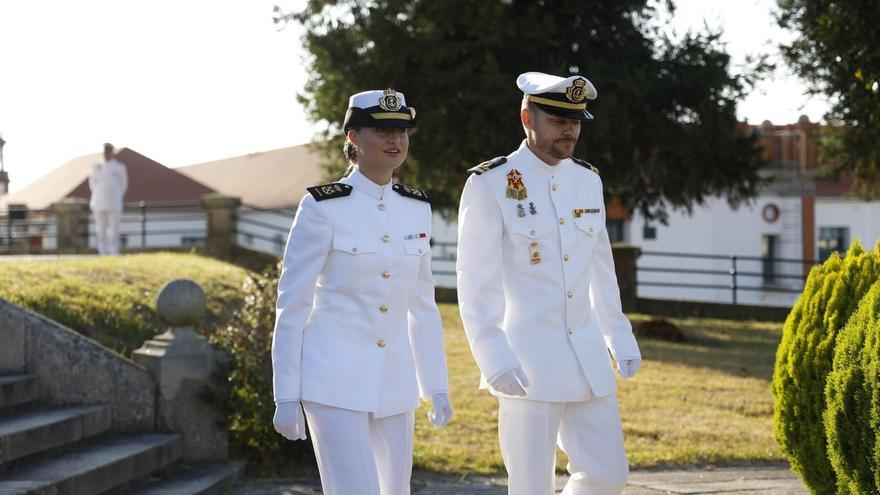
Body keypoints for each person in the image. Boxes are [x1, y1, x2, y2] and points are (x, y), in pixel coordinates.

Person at [456, 72, 642, 495]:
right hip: (527, 364)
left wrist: (619, 334)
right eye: (558, 118)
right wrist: (493, 356)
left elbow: (600, 267)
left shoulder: (587, 179)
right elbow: (474, 280)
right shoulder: (491, 183)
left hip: (588, 359)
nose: (570, 129)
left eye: (575, 119)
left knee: (608, 475)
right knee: (530, 487)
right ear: (527, 117)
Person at [272, 89, 453, 495]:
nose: (395, 140)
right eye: (381, 130)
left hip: (395, 382)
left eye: (402, 130)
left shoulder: (416, 207)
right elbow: (293, 304)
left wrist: (435, 385)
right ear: (353, 137)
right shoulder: (323, 207)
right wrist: (285, 394)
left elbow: (421, 306)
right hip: (333, 379)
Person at [88, 143, 128, 255]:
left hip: (114, 203)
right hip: (99, 203)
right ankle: (103, 252)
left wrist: (117, 196)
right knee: (101, 229)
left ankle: (114, 252)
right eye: (104, 151)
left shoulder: (119, 167)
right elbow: (92, 184)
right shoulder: (95, 167)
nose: (106, 154)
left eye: (108, 151)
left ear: (112, 152)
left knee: (114, 229)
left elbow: (123, 184)